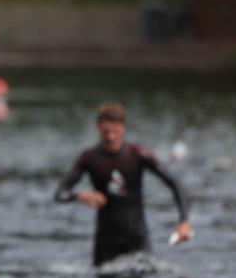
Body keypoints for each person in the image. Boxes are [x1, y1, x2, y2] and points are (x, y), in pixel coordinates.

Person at [55, 102, 191, 266]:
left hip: (137, 238)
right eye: (106, 132)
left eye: (115, 131)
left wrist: (184, 221)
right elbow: (59, 193)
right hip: (105, 242)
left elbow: (175, 183)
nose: (111, 137)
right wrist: (79, 196)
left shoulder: (137, 154)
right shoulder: (89, 157)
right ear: (97, 128)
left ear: (123, 128)